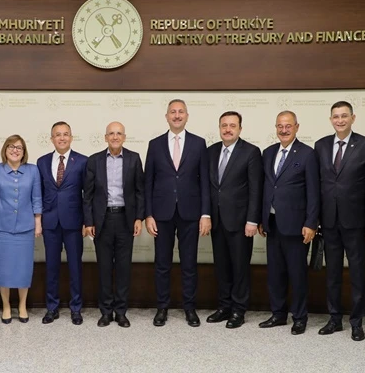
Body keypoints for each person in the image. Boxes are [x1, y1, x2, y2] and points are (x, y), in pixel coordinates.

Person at [145, 99, 211, 327]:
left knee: (189, 264)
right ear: (166, 116)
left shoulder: (198, 143)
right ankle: (162, 308)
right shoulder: (155, 144)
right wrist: (148, 214)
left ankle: (189, 308)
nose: (176, 115)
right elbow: (148, 181)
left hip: (190, 213)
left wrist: (205, 214)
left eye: (180, 111)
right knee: (162, 264)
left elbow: (205, 182)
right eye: (172, 112)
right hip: (161, 214)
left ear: (187, 116)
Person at [314, 101, 365, 341]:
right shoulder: (320, 145)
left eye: (344, 116)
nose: (340, 120)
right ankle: (334, 319)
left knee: (357, 274)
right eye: (336, 116)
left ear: (353, 118)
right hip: (329, 221)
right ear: (331, 119)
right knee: (333, 274)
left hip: (355, 221)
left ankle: (357, 322)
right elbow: (317, 184)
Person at [258, 110, 319, 335]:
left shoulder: (307, 154)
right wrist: (262, 218)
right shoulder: (268, 153)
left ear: (296, 127)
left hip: (297, 225)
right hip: (272, 223)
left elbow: (314, 192)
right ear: (276, 128)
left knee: (297, 274)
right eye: (280, 126)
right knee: (275, 273)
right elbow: (266, 187)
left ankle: (300, 317)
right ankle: (278, 314)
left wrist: (311, 223)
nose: (284, 130)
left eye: (288, 126)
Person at [83, 122, 145, 328]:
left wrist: (139, 218)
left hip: (126, 219)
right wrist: (89, 221)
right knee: (104, 267)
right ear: (105, 137)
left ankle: (121, 312)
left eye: (119, 133)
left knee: (123, 268)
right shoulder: (94, 160)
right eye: (111, 133)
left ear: (124, 137)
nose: (115, 137)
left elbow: (140, 191)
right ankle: (106, 312)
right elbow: (87, 195)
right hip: (103, 220)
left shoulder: (134, 159)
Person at [206, 111, 263, 328]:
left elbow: (255, 189)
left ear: (240, 128)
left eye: (232, 125)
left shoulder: (251, 152)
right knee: (221, 267)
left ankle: (239, 310)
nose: (228, 129)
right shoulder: (211, 151)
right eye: (224, 125)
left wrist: (252, 220)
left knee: (240, 268)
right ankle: (224, 306)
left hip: (240, 222)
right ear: (219, 128)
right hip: (217, 220)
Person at [0, 135, 43, 323]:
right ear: (5, 149)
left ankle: (22, 305)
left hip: (26, 229)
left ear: (24, 151)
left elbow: (37, 199)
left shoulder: (33, 170)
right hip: (2, 229)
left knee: (23, 269)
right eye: (11, 146)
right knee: (4, 270)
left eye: (19, 147)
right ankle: (6, 306)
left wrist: (38, 222)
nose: (15, 150)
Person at [36, 122, 88, 325]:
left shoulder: (82, 161)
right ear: (52, 139)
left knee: (75, 267)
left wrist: (87, 221)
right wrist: (38, 219)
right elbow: (38, 193)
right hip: (50, 222)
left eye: (66, 134)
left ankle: (76, 308)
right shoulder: (41, 162)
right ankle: (52, 308)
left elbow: (88, 195)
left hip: (74, 222)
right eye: (57, 134)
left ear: (71, 137)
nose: (62, 138)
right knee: (51, 267)